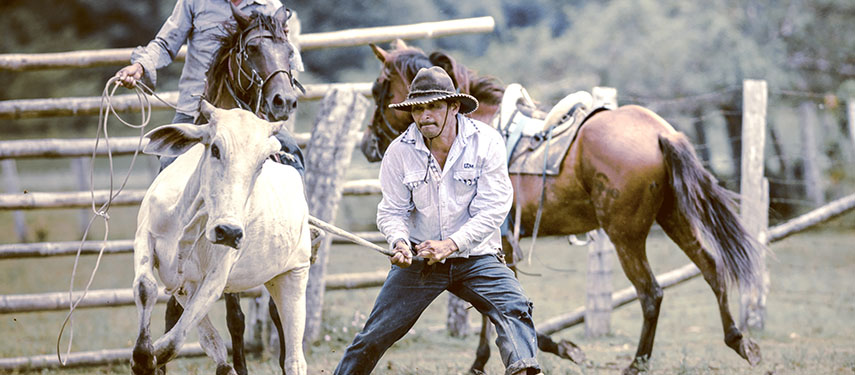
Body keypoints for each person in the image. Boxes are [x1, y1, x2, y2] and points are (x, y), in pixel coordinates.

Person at [334, 66, 542, 375]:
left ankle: (523, 371)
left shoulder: (486, 142)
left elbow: (495, 207)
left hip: (477, 256)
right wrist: (400, 241)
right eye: (418, 108)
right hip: (422, 259)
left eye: (434, 106)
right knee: (374, 335)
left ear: (454, 107)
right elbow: (392, 211)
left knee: (514, 308)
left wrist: (451, 244)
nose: (425, 116)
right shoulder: (399, 152)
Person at [113, 0, 304, 172]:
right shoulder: (194, 2)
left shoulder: (269, 5)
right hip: (195, 109)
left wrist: (281, 37)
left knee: (292, 158)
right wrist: (140, 67)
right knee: (169, 163)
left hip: (254, 114)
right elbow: (165, 43)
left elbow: (283, 57)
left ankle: (299, 213)